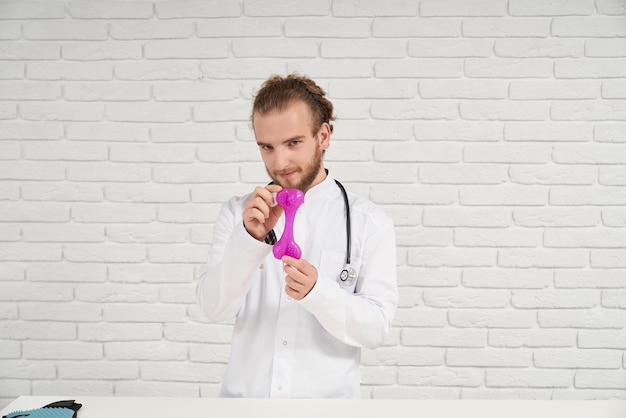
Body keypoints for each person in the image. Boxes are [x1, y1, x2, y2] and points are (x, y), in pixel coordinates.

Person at [196, 73, 398, 398]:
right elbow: (213, 308)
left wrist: (319, 293)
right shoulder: (238, 214)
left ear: (323, 135)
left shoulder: (368, 223)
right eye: (267, 147)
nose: (280, 162)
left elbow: (375, 329)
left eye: (293, 143)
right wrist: (249, 240)